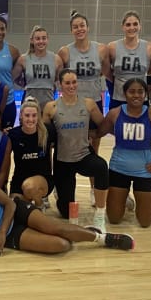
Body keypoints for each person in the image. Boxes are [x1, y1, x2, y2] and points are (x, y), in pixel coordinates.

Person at [0, 157, 134, 260]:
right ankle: (81, 233)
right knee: (62, 245)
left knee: (57, 227)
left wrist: (1, 233)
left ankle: (104, 239)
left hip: (15, 212)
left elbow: (9, 203)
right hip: (11, 234)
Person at [97, 79, 151, 227]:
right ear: (125, 94)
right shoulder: (114, 114)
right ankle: (124, 198)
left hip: (144, 171)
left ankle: (132, 198)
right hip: (119, 170)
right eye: (132, 92)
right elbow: (98, 133)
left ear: (145, 95)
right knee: (114, 219)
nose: (136, 95)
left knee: (145, 222)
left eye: (140, 92)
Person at [43, 69, 108, 232]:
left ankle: (100, 214)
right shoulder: (51, 107)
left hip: (83, 156)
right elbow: (43, 134)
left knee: (101, 166)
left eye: (74, 82)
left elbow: (104, 124)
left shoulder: (88, 103)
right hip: (63, 161)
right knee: (65, 214)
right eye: (67, 83)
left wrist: (95, 133)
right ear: (60, 85)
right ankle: (61, 193)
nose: (71, 86)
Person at [57, 11, 111, 206]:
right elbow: (59, 77)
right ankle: (60, 184)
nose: (79, 29)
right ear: (71, 30)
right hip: (72, 103)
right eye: (75, 26)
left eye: (82, 25)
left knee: (93, 148)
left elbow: (109, 73)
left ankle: (93, 188)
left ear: (88, 27)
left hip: (94, 103)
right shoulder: (65, 51)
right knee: (65, 143)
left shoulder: (101, 49)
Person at [8, 97, 54, 209]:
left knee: (29, 187)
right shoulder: (13, 135)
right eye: (27, 115)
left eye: (34, 115)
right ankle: (30, 207)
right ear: (21, 116)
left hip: (42, 179)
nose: (31, 119)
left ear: (38, 116)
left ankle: (40, 205)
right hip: (19, 179)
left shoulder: (47, 132)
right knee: (15, 207)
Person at [107, 11, 151, 109]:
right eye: (128, 24)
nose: (131, 27)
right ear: (123, 27)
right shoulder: (112, 47)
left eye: (135, 24)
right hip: (119, 98)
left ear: (140, 26)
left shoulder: (150, 47)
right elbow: (105, 71)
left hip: (141, 98)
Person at [12, 25, 63, 111]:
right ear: (32, 40)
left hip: (48, 104)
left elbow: (60, 81)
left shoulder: (56, 59)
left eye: (44, 38)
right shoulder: (23, 59)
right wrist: (25, 84)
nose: (41, 41)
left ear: (48, 39)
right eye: (38, 39)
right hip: (29, 104)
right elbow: (12, 78)